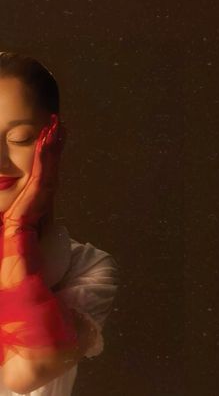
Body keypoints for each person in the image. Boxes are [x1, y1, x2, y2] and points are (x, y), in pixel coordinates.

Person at [0, 51, 119, 395]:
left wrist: (17, 228)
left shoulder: (88, 268)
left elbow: (28, 369)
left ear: (53, 141)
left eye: (19, 138)